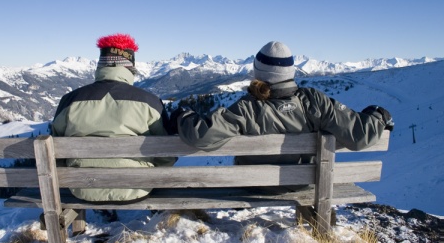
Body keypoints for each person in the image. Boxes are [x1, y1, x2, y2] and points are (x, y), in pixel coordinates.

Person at [170, 41, 393, 171]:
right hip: (303, 185)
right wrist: (378, 116)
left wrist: (183, 115)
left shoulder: (248, 108)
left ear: (258, 72)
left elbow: (202, 135)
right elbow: (360, 134)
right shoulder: (314, 101)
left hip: (254, 187)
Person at [52, 33, 175, 202]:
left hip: (82, 188)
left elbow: (55, 148)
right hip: (137, 187)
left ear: (100, 65)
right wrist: (154, 173)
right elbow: (166, 150)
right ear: (130, 68)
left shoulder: (70, 100)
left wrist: (67, 175)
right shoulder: (150, 102)